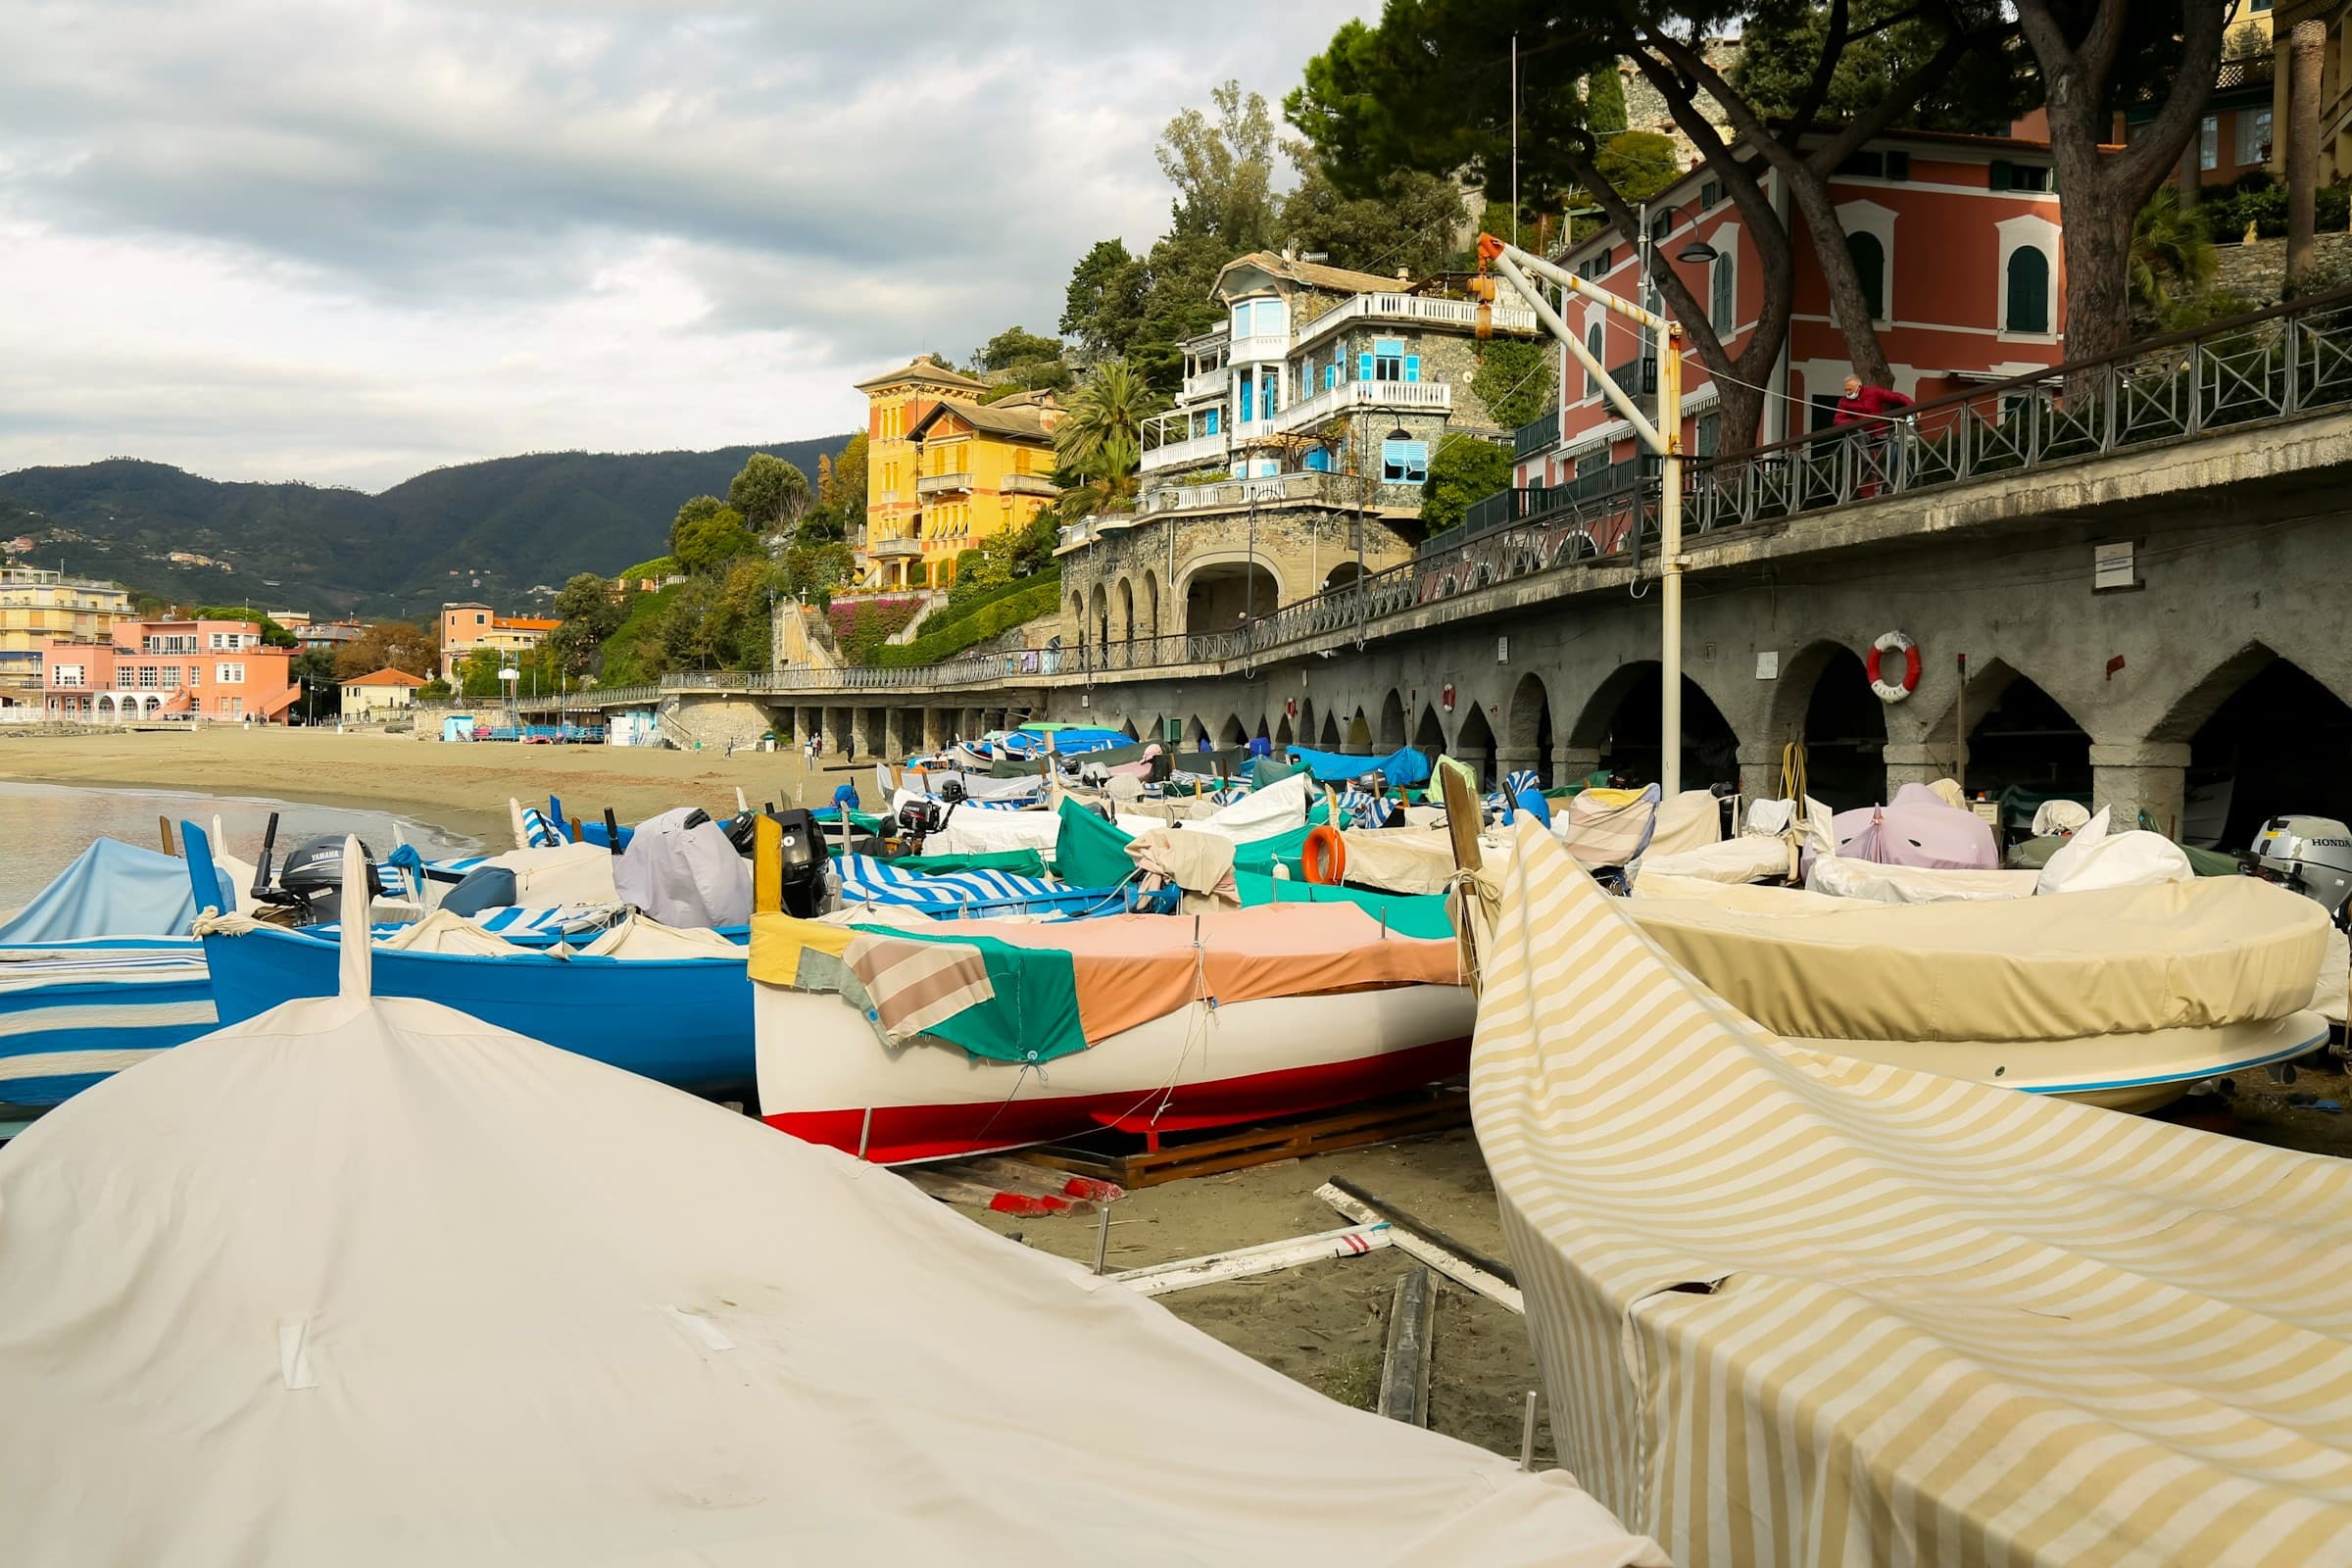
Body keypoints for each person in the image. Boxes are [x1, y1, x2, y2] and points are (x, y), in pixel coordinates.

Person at [1832, 374, 1914, 495]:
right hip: (1863, 436)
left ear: (1859, 387)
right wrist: (1854, 423)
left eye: (1850, 389)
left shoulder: (1873, 392)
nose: (1847, 392)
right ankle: (1867, 464)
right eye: (1846, 390)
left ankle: (1891, 484)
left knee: (1895, 449)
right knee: (1855, 432)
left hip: (1881, 435)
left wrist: (1913, 406)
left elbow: (1895, 396)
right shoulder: (1843, 402)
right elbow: (1837, 420)